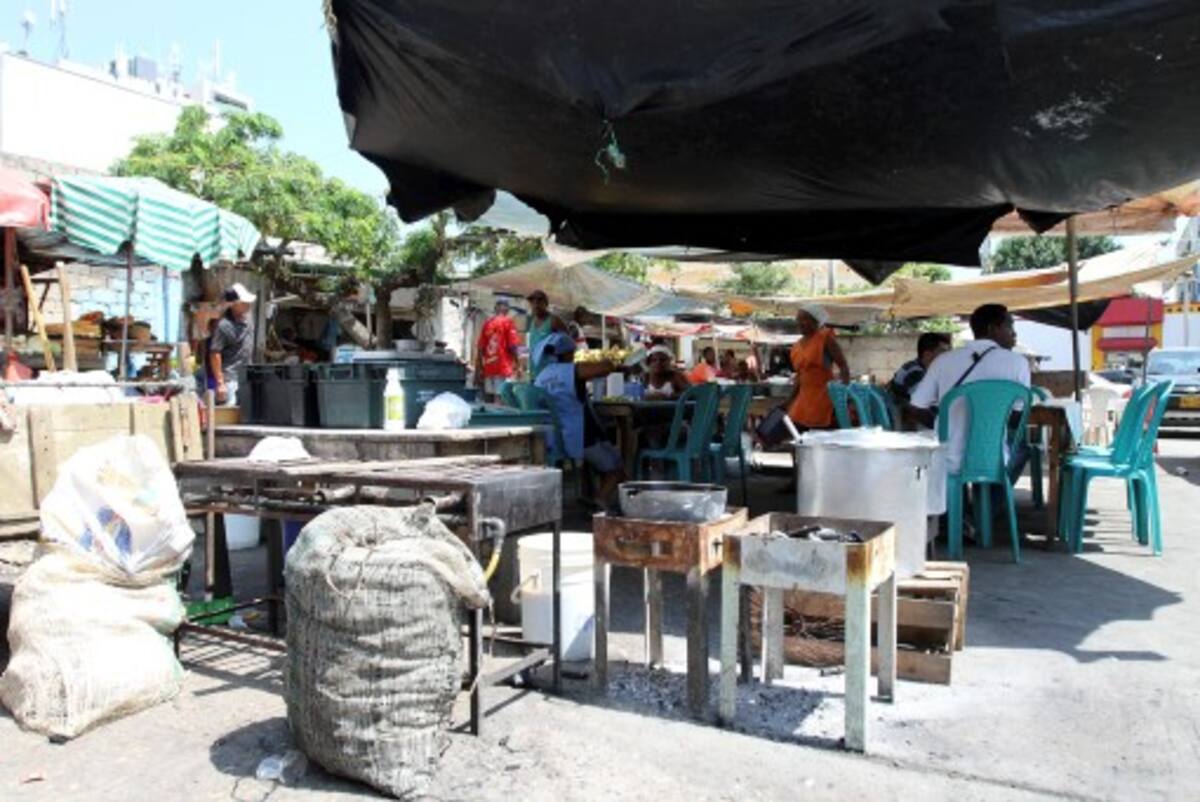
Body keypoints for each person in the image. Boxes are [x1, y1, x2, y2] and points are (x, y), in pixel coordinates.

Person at [908, 304, 1031, 474]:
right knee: (1023, 446)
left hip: (949, 459)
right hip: (993, 459)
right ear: (992, 328)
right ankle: (996, 489)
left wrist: (944, 420)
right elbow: (1018, 418)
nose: (1014, 333)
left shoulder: (943, 361)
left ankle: (958, 491)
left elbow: (916, 406)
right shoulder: (1018, 363)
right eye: (1010, 326)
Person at [534, 332, 626, 508]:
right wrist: (612, 358)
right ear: (569, 353)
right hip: (579, 437)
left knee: (596, 460)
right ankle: (600, 499)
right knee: (618, 469)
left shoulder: (541, 377)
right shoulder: (572, 370)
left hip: (554, 438)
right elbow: (607, 367)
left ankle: (588, 495)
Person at [786, 304, 850, 430]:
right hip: (804, 399)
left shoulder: (825, 338)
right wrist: (790, 400)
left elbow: (843, 366)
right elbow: (800, 376)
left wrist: (844, 395)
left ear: (816, 321)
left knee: (820, 432)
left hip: (824, 397)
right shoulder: (796, 347)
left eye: (804, 319)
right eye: (798, 319)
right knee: (798, 431)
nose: (800, 322)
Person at [210, 282, 256, 407]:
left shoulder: (247, 321)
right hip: (231, 379)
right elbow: (215, 353)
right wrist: (220, 383)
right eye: (244, 302)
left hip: (246, 377)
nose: (248, 305)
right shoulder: (224, 326)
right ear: (234, 304)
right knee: (232, 410)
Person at [888, 332, 952, 411]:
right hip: (903, 415)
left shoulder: (921, 368)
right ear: (927, 355)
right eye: (944, 352)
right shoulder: (915, 372)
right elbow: (926, 403)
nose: (949, 356)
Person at [474, 299, 521, 402]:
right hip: (503, 368)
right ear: (507, 309)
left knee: (489, 398)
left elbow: (480, 348)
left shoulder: (487, 323)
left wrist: (479, 368)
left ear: (495, 309)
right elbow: (513, 347)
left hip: (489, 368)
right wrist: (518, 365)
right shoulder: (508, 322)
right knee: (500, 399)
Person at [526, 289, 567, 379]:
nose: (536, 305)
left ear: (546, 303)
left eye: (539, 301)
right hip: (534, 373)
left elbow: (568, 344)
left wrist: (555, 349)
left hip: (550, 374)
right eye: (532, 302)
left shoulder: (554, 321)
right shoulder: (532, 320)